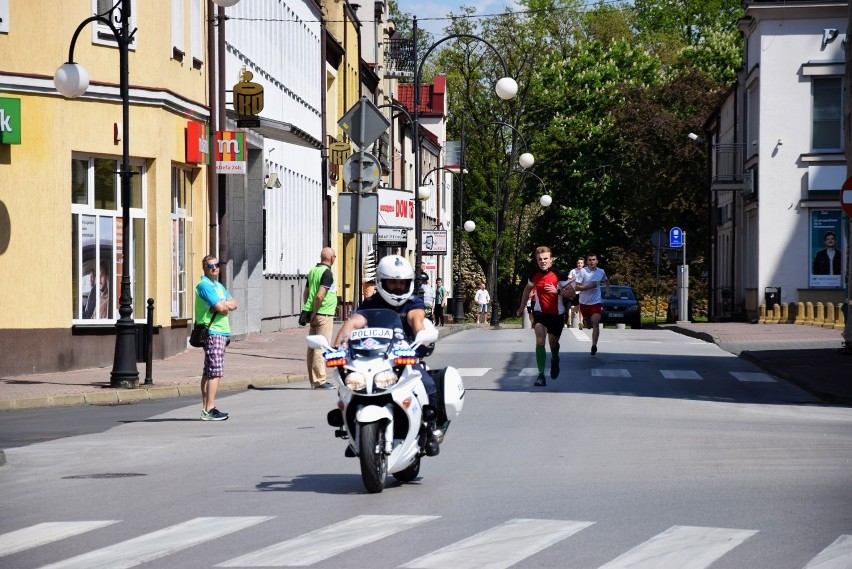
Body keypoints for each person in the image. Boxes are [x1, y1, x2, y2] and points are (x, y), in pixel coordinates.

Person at [333, 255, 441, 456]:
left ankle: (430, 429)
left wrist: (423, 340)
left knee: (427, 383)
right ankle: (352, 429)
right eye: (393, 282)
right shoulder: (371, 303)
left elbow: (416, 320)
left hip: (404, 358)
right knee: (348, 384)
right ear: (382, 282)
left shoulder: (413, 302)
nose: (398, 287)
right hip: (373, 359)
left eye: (402, 283)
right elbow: (353, 322)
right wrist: (339, 345)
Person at [516, 246, 571, 387]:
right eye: (540, 259)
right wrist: (522, 307)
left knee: (553, 343)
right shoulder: (534, 275)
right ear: (537, 260)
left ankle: (555, 358)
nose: (543, 261)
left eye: (546, 258)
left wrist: (557, 290)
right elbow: (526, 290)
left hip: (557, 314)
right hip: (540, 313)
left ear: (551, 260)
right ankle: (541, 375)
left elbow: (572, 293)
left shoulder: (559, 275)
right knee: (540, 339)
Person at [195, 255, 237, 421]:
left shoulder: (218, 286)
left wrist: (223, 306)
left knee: (209, 371)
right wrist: (223, 306)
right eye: (210, 265)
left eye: (216, 265)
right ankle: (209, 408)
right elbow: (222, 307)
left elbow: (234, 303)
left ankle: (206, 408)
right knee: (215, 371)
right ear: (204, 268)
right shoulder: (204, 285)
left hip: (220, 331)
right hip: (213, 332)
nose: (214, 268)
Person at [303, 247, 338, 389]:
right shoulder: (327, 273)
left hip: (314, 314)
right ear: (331, 258)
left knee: (312, 348)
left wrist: (309, 309)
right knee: (320, 347)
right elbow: (320, 295)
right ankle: (320, 380)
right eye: (334, 256)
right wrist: (315, 311)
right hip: (324, 314)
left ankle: (314, 380)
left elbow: (306, 292)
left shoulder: (313, 271)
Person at [573, 253, 610, 356]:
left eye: (594, 259)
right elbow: (576, 287)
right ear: (587, 262)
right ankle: (586, 321)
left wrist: (608, 291)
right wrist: (588, 287)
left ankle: (594, 345)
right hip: (584, 302)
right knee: (588, 325)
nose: (592, 261)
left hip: (596, 301)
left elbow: (606, 281)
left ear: (597, 261)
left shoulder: (601, 272)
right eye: (589, 260)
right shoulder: (583, 272)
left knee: (596, 322)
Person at [567, 257, 584, 328]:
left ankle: (581, 322)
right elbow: (568, 281)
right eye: (578, 263)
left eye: (581, 263)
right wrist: (574, 279)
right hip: (573, 292)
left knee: (581, 307)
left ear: (583, 264)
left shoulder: (585, 271)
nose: (579, 264)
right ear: (577, 264)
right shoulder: (573, 271)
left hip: (582, 292)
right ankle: (571, 316)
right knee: (575, 308)